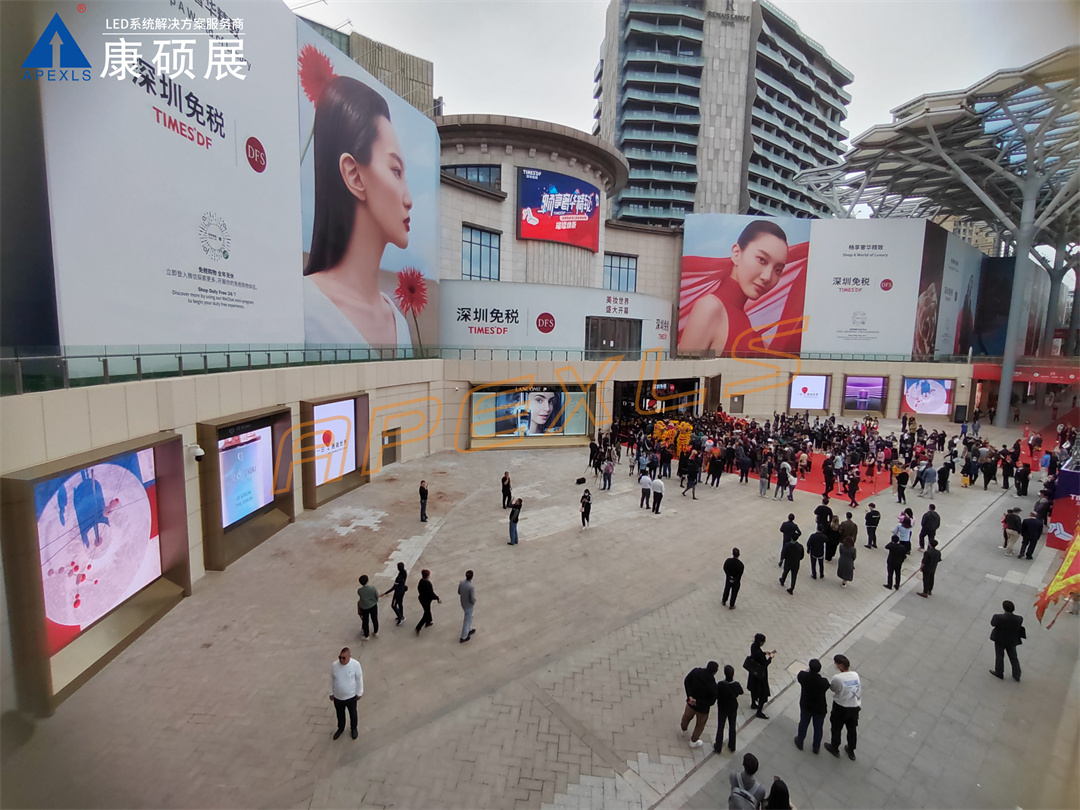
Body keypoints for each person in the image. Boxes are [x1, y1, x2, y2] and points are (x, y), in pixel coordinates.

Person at [304, 76, 414, 349]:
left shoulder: (398, 323)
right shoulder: (302, 311)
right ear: (354, 175)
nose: (409, 199)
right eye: (395, 171)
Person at [680, 220, 791, 354]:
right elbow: (686, 371)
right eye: (762, 260)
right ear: (736, 253)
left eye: (777, 270)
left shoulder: (743, 322)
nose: (767, 277)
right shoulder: (710, 307)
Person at [823, 654, 861, 761]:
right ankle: (851, 750)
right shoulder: (855, 675)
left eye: (835, 664)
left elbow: (834, 688)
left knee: (836, 727)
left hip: (841, 707)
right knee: (852, 729)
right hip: (854, 706)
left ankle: (834, 747)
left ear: (840, 666)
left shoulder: (837, 678)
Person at [679, 661, 719, 748]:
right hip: (702, 709)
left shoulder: (696, 672)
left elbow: (687, 681)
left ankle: (683, 729)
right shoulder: (713, 686)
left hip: (690, 703)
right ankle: (693, 741)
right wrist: (698, 702)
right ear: (715, 672)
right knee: (700, 725)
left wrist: (689, 696)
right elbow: (711, 701)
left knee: (687, 716)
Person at [793, 658, 829, 754]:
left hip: (806, 704)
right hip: (819, 707)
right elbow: (827, 686)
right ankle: (816, 747)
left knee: (803, 723)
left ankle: (800, 741)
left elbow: (800, 675)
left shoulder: (803, 676)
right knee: (818, 728)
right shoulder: (823, 682)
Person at [329, 647, 363, 740]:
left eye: (344, 658)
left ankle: (354, 728)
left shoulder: (355, 664)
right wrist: (331, 693)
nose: (341, 660)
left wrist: (360, 692)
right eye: (340, 657)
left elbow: (359, 679)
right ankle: (340, 728)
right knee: (340, 714)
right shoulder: (335, 665)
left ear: (349, 657)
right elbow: (332, 679)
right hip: (338, 697)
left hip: (351, 697)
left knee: (353, 714)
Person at [989, 600, 1025, 682]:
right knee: (1013, 657)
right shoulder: (1019, 619)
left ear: (1004, 608)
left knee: (999, 655)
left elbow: (993, 624)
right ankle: (1017, 674)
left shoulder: (998, 617)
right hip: (1012, 640)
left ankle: (999, 672)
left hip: (999, 639)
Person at [713, 664, 744, 753]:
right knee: (732, 726)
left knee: (720, 727)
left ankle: (718, 746)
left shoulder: (720, 684)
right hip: (732, 708)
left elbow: (717, 695)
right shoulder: (736, 684)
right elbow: (741, 692)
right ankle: (732, 745)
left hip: (722, 708)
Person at [746, 634, 775, 719]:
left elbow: (757, 654)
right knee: (763, 692)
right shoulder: (759, 653)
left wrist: (764, 653)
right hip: (760, 675)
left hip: (753, 672)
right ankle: (759, 711)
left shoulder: (753, 647)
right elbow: (765, 664)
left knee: (753, 688)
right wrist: (770, 658)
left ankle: (753, 703)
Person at [414, 568, 440, 635]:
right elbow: (431, 593)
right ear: (428, 575)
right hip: (426, 600)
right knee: (426, 613)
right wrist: (437, 598)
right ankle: (418, 627)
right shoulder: (428, 583)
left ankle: (428, 621)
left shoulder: (421, 581)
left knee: (427, 610)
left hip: (421, 598)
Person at [357, 574, 380, 639]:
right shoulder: (372, 588)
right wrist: (375, 601)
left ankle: (366, 635)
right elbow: (377, 596)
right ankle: (376, 632)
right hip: (373, 605)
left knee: (365, 621)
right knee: (375, 618)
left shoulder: (359, 590)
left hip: (364, 607)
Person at [457, 569, 477, 643]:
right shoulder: (471, 587)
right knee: (467, 619)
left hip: (463, 603)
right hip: (469, 605)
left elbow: (459, 592)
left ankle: (469, 628)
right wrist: (474, 601)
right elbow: (472, 598)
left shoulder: (461, 583)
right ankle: (464, 636)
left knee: (470, 617)